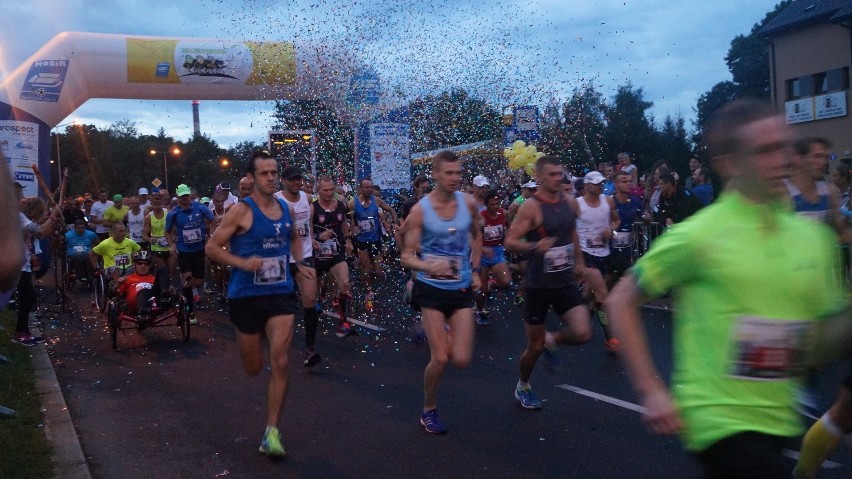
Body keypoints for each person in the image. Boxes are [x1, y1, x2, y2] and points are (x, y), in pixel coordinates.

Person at [604, 99, 847, 478]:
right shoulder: (700, 235)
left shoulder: (810, 239)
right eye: (764, 151)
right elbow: (621, 300)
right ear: (729, 163)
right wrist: (651, 390)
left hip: (780, 413)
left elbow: (823, 339)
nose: (781, 159)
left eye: (784, 146)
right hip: (719, 420)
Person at [205, 150, 313, 457]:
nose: (270, 177)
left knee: (280, 359)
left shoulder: (284, 209)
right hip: (246, 297)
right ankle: (256, 354)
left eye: (273, 172)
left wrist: (297, 262)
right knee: (253, 367)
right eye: (264, 173)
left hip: (280, 293)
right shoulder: (241, 211)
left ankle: (271, 432)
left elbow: (292, 238)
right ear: (251, 178)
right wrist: (241, 261)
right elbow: (212, 247)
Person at [401, 150, 481, 434]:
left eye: (458, 173)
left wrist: (476, 267)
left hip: (459, 287)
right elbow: (406, 256)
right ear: (435, 174)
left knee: (461, 358)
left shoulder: (468, 203)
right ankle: (429, 410)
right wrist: (427, 264)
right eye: (448, 173)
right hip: (431, 289)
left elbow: (476, 232)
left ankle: (432, 328)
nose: (455, 178)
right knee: (441, 358)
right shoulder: (421, 210)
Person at [504, 155, 593, 409]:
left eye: (560, 174)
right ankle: (523, 385)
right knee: (534, 346)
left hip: (564, 279)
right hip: (538, 284)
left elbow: (571, 233)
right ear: (540, 177)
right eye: (552, 175)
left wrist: (580, 262)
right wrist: (534, 246)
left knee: (583, 332)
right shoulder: (531, 207)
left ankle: (554, 338)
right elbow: (510, 241)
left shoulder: (568, 202)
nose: (558, 178)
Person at [274, 166, 322, 358]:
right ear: (283, 181)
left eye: (299, 179)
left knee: (310, 301)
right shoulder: (276, 199)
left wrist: (312, 238)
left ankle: (310, 349)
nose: (297, 182)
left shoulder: (307, 198)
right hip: (283, 257)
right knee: (281, 304)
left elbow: (308, 222)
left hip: (305, 256)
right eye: (293, 179)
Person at [576, 170, 620, 352]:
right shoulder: (576, 204)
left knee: (592, 294)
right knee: (602, 296)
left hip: (605, 253)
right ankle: (610, 338)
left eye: (601, 182)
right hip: (586, 254)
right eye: (596, 183)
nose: (600, 185)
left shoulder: (608, 200)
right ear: (586, 186)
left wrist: (612, 231)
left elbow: (617, 221)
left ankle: (578, 314)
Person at [312, 175, 355, 353]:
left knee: (345, 283)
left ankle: (343, 322)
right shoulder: (312, 208)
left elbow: (344, 224)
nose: (329, 193)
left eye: (331, 189)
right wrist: (317, 238)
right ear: (318, 190)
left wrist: (349, 240)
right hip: (316, 256)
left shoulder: (341, 205)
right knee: (313, 294)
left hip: (336, 253)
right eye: (325, 190)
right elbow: (305, 230)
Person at [13, 197, 61, 345]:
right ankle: (20, 333)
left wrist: (54, 220)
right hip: (18, 264)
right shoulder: (20, 218)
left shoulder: (25, 220)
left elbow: (44, 232)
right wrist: (53, 215)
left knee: (28, 297)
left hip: (25, 264)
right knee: (27, 298)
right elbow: (40, 232)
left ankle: (24, 331)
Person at [166, 183, 214, 324]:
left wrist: (211, 236)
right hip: (184, 250)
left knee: (198, 281)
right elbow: (166, 231)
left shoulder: (200, 208)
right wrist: (171, 245)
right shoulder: (173, 213)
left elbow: (214, 220)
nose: (185, 198)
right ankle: (190, 310)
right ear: (178, 197)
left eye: (186, 195)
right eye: (182, 196)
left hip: (199, 249)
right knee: (188, 278)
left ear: (190, 195)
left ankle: (185, 295)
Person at [349, 178, 398, 299]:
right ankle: (368, 292)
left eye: (371, 187)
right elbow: (347, 219)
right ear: (360, 188)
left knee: (378, 270)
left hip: (375, 240)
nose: (369, 189)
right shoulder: (352, 203)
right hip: (361, 241)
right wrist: (352, 227)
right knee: (366, 269)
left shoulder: (376, 201)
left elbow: (390, 209)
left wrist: (395, 222)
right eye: (366, 187)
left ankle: (374, 284)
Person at [476, 188, 510, 325]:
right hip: (482, 253)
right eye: (492, 204)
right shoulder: (481, 217)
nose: (496, 207)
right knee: (482, 290)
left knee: (506, 281)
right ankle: (479, 311)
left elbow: (507, 229)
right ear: (486, 204)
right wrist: (482, 248)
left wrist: (508, 241)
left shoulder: (504, 213)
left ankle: (491, 285)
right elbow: (474, 239)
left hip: (497, 251)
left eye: (498, 203)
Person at [64, 219, 99, 287]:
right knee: (77, 257)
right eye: (79, 228)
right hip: (73, 256)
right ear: (75, 228)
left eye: (82, 228)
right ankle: (81, 277)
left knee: (89, 258)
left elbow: (99, 244)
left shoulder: (91, 234)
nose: (81, 230)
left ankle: (90, 277)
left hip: (86, 254)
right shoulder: (68, 235)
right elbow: (62, 246)